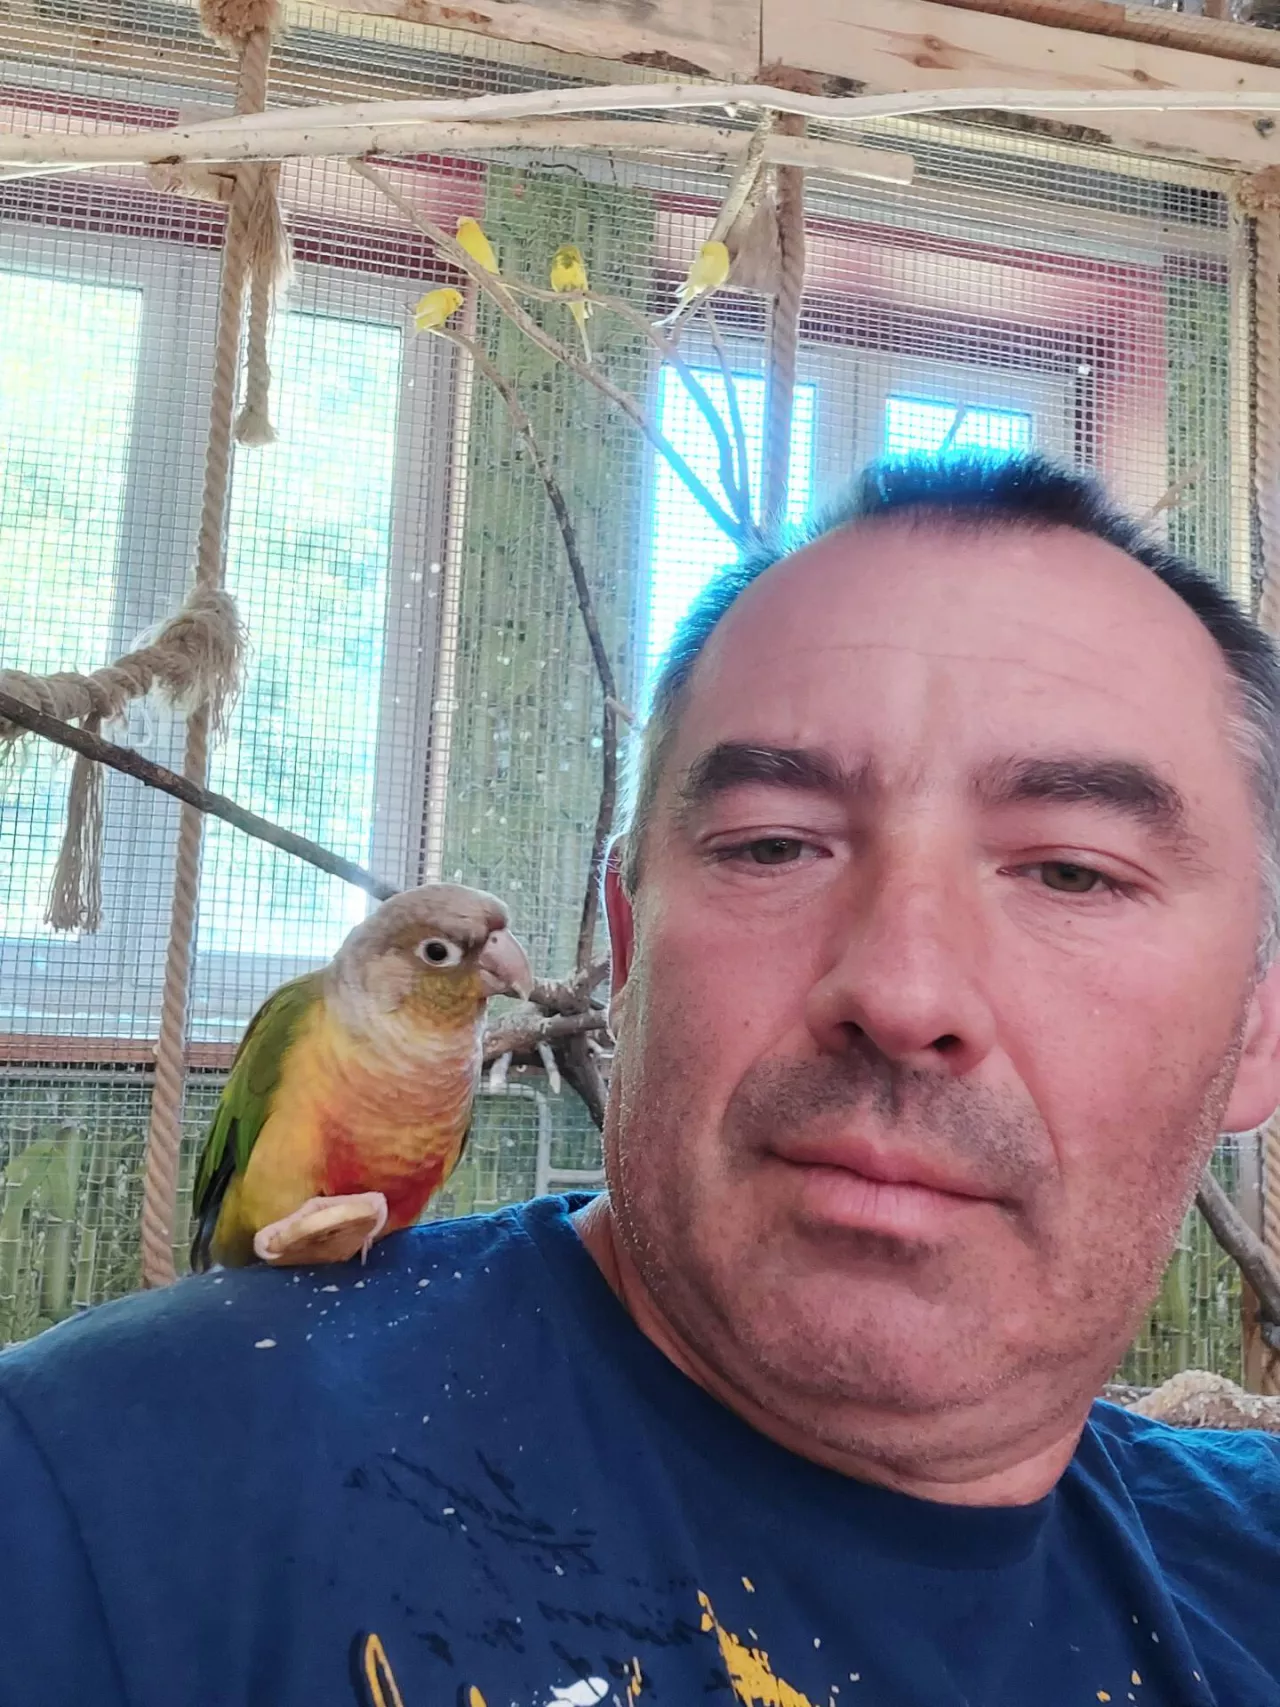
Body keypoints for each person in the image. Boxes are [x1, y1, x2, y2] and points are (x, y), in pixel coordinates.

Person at [2, 453, 1280, 1707]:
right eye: (772, 846)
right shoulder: (90, 1505)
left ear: (1258, 1030)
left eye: (1070, 872)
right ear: (624, 955)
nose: (899, 993)